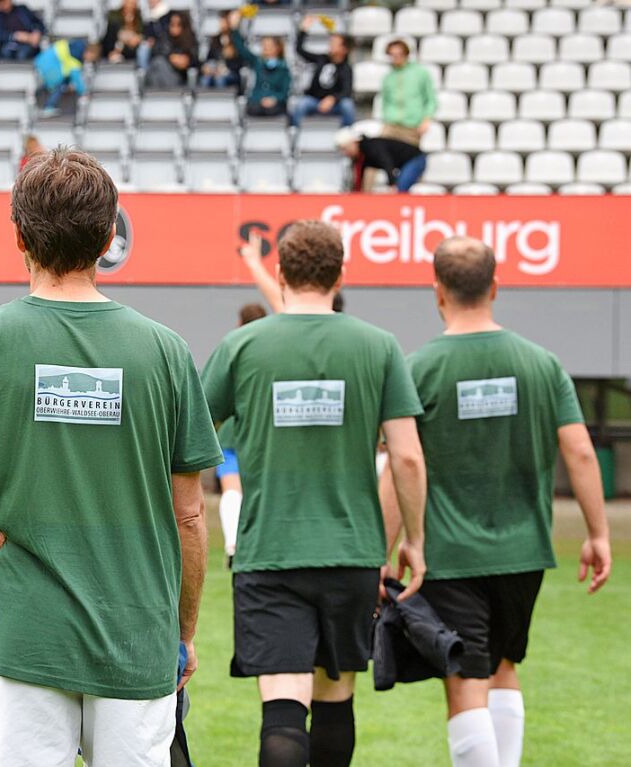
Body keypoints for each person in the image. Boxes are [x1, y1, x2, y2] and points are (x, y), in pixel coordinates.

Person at [0, 147, 221, 766]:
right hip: (136, 639)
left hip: (16, 640)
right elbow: (190, 517)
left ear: (17, 236)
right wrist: (183, 633)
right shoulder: (166, 352)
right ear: (110, 235)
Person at [201, 220, 427, 767]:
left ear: (279, 273)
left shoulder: (242, 345)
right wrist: (413, 540)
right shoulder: (379, 346)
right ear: (340, 274)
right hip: (351, 556)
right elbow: (408, 457)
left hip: (269, 554)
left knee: (282, 709)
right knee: (334, 701)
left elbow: (190, 439)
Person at [380, 237, 612, 767]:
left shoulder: (418, 369)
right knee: (505, 666)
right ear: (496, 286)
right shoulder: (541, 363)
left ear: (436, 291)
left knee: (466, 680)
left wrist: (381, 548)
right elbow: (578, 450)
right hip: (525, 552)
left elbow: (401, 466)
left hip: (451, 555)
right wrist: (598, 534)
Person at [216, 302, 267, 567]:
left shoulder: (233, 348)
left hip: (231, 432)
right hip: (262, 433)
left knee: (232, 489)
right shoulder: (272, 353)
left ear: (239, 323)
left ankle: (233, 543)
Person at [293, 15, 354, 127]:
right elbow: (300, 50)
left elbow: (346, 91)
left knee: (347, 105)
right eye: (331, 42)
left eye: (334, 43)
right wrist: (303, 31)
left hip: (335, 104)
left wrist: (332, 99)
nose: (330, 45)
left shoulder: (346, 68)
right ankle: (295, 134)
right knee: (301, 104)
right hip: (315, 101)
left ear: (344, 49)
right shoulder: (321, 59)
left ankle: (347, 135)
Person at [229, 10, 290, 118]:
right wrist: (234, 29)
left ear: (277, 48)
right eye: (264, 46)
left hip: (275, 106)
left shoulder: (284, 68)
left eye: (269, 46)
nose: (265, 49)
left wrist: (274, 99)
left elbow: (284, 92)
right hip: (257, 103)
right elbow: (242, 49)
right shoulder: (257, 62)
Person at [380, 39, 437, 146]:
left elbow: (431, 100)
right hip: (391, 125)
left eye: (399, 54)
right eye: (392, 55)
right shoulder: (388, 78)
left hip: (412, 127)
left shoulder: (420, 73)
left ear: (406, 54)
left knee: (409, 159)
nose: (395, 57)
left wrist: (426, 120)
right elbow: (385, 102)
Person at [335, 127, 427, 193]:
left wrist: (392, 184)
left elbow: (387, 162)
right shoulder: (360, 156)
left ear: (354, 143)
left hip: (415, 158)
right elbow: (360, 176)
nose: (345, 153)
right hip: (403, 163)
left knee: (400, 190)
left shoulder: (371, 147)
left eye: (345, 149)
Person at [35, 38, 91, 117]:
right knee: (60, 86)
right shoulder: (74, 61)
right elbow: (77, 80)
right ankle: (48, 107)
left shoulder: (62, 44)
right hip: (50, 73)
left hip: (38, 64)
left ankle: (37, 102)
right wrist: (83, 93)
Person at [144, 10, 197, 89]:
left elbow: (195, 59)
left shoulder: (191, 39)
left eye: (178, 25)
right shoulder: (164, 37)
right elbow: (156, 52)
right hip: (165, 72)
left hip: (181, 76)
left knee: (158, 65)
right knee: (157, 65)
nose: (174, 28)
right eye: (172, 24)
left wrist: (187, 61)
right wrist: (170, 57)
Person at [199, 11, 242, 90]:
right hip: (215, 71)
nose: (223, 24)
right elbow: (209, 58)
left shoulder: (236, 39)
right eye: (221, 21)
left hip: (231, 73)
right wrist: (208, 68)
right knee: (205, 79)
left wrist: (230, 58)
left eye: (225, 21)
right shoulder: (215, 39)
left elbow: (240, 61)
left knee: (220, 79)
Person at [137, 0, 172, 70]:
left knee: (144, 49)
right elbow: (147, 34)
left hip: (165, 45)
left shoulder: (167, 15)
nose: (150, 1)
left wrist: (156, 41)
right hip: (154, 46)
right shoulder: (149, 16)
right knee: (143, 47)